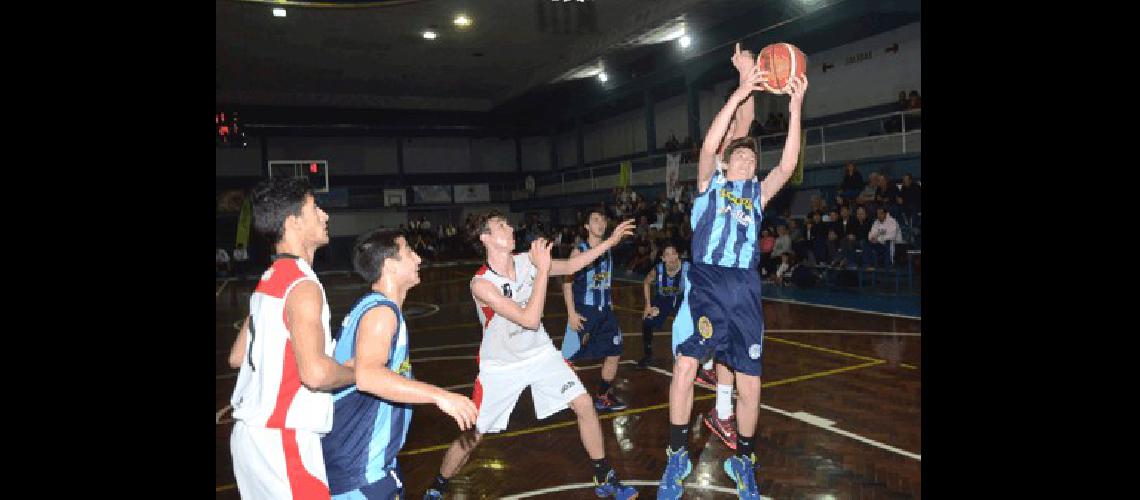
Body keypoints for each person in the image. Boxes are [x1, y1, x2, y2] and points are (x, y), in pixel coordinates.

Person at [657, 54, 808, 497]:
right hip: (705, 282)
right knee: (685, 366)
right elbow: (708, 147)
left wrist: (796, 109)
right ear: (725, 164)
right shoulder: (710, 185)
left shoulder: (758, 194)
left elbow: (786, 164)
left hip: (744, 288)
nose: (744, 159)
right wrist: (741, 93)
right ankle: (677, 456)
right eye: (737, 155)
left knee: (751, 380)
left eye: (748, 157)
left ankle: (745, 460)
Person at [424, 212, 638, 500]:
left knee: (585, 404)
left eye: (509, 223)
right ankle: (438, 485)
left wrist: (611, 241)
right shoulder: (481, 284)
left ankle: (603, 475)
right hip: (500, 365)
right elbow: (529, 319)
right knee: (473, 434)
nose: (510, 227)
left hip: (539, 353)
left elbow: (573, 264)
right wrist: (542, 270)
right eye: (501, 226)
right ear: (485, 238)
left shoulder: (527, 261)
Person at [321, 229, 478, 499]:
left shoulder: (374, 308)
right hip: (358, 469)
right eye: (409, 252)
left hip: (369, 464)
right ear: (390, 265)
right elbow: (368, 376)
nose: (418, 258)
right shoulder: (382, 313)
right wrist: (440, 396)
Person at [227, 177, 355, 500]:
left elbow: (236, 357)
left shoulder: (268, 280)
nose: (325, 216)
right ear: (293, 222)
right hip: (283, 441)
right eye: (315, 208)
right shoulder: (303, 286)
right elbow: (315, 374)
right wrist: (358, 371)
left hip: (250, 440)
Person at [561, 209, 629, 412]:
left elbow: (606, 281)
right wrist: (571, 313)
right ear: (587, 227)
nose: (600, 223)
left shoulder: (607, 249)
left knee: (615, 351)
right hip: (583, 311)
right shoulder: (579, 251)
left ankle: (603, 395)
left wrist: (610, 305)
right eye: (595, 220)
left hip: (605, 311)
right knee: (567, 356)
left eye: (603, 219)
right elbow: (566, 284)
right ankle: (562, 395)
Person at [637, 242, 689, 369]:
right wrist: (648, 306)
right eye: (667, 255)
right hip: (663, 299)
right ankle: (648, 355)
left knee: (688, 325)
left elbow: (699, 285)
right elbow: (646, 283)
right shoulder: (658, 269)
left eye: (673, 254)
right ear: (663, 258)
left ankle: (687, 356)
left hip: (680, 299)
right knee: (647, 321)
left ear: (678, 255)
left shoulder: (687, 268)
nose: (671, 257)